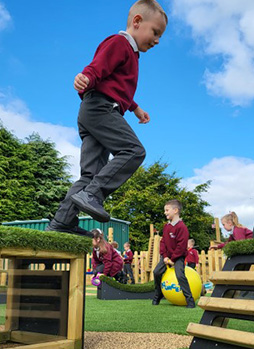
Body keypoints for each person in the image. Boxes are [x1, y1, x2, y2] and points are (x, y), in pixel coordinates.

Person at [47, 0, 168, 236]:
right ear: (137, 22)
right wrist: (86, 78)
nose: (156, 40)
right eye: (155, 32)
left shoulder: (132, 54)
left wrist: (134, 108)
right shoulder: (120, 43)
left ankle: (62, 221)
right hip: (100, 109)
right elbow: (98, 67)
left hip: (94, 110)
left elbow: (116, 86)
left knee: (90, 175)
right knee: (133, 151)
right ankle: (93, 194)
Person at [152, 199, 195, 308]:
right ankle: (158, 294)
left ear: (175, 210)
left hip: (178, 257)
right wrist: (165, 257)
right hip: (167, 257)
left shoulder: (182, 227)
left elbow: (181, 246)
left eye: (167, 210)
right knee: (156, 272)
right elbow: (163, 242)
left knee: (180, 275)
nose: (165, 212)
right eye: (165, 210)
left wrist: (173, 259)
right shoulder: (166, 227)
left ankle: (190, 300)